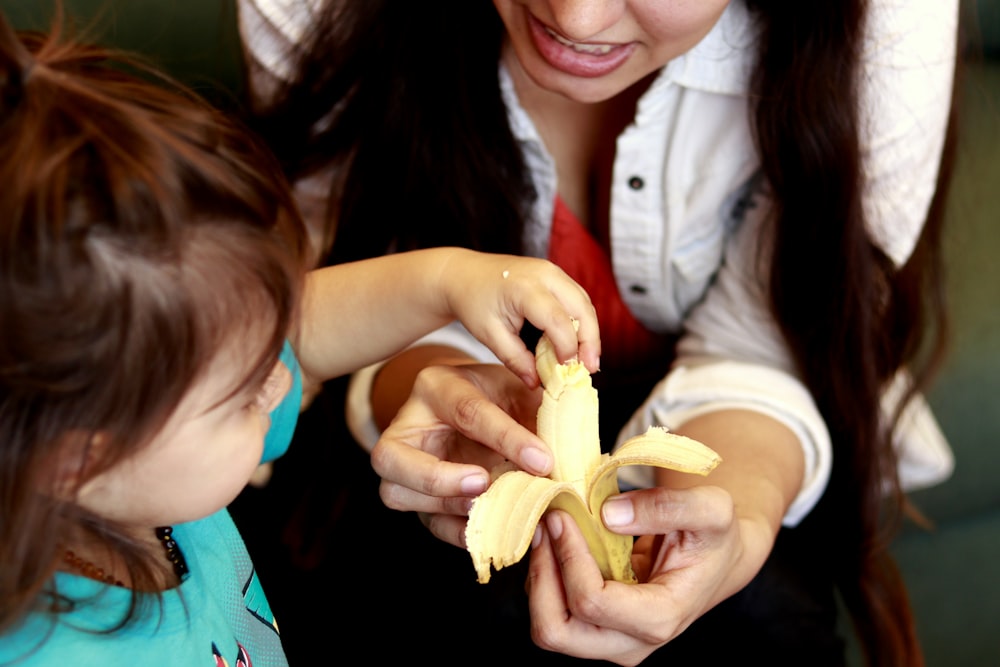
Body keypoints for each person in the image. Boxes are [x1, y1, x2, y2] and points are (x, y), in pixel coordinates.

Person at [237, 1, 960, 664]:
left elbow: (770, 340)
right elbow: (350, 274)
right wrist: (432, 385)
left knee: (759, 611)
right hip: (406, 402)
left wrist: (733, 528)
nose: (576, 19)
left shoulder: (889, 21)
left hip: (746, 414)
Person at [0, 14, 601, 666]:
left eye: (268, 351)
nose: (284, 378)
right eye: (243, 395)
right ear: (78, 458)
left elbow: (304, 334)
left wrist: (447, 279)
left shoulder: (144, 456)